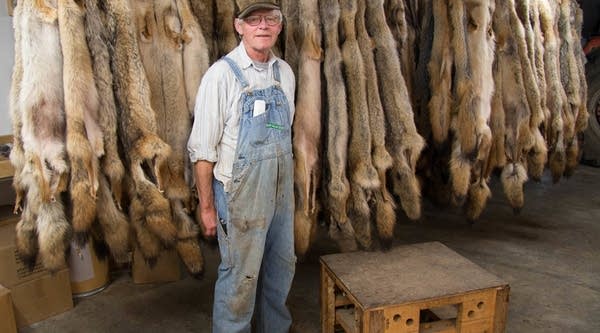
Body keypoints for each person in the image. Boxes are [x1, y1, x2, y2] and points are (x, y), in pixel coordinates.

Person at [187, 2, 296, 332]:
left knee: (280, 267)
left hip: (280, 194)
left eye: (270, 20)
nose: (262, 26)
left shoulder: (285, 73)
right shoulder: (221, 76)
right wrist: (207, 207)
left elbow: (283, 129)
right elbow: (202, 151)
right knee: (241, 276)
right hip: (240, 195)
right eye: (254, 20)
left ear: (278, 27)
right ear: (239, 27)